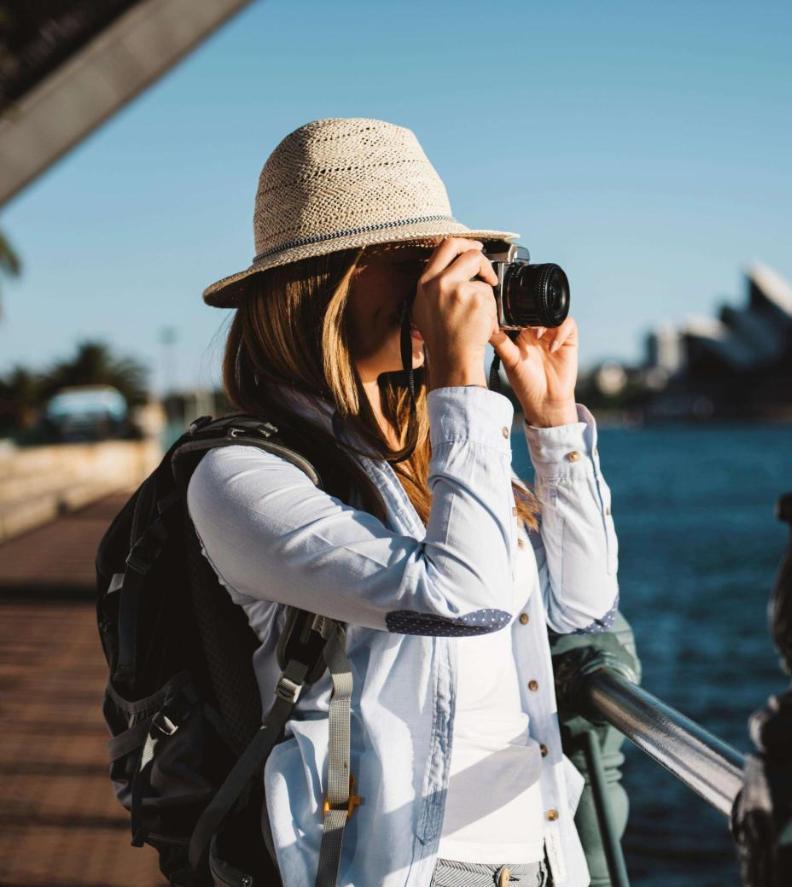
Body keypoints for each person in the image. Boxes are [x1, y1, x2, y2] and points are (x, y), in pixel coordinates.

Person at [188, 117, 619, 887]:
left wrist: (553, 424)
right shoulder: (240, 476)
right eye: (419, 260)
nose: (452, 286)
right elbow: (465, 600)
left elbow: (583, 606)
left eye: (464, 262)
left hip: (542, 859)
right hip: (407, 868)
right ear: (325, 281)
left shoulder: (435, 456)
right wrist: (461, 379)